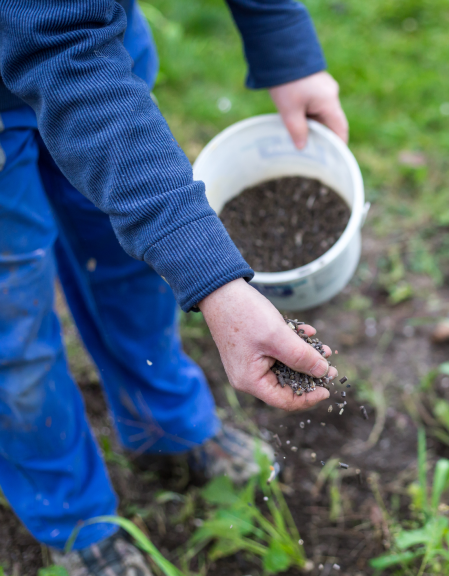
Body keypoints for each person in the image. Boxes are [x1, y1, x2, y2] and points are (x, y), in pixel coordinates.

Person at [0, 1, 347, 574]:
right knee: (12, 327)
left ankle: (166, 427)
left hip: (96, 40)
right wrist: (217, 283)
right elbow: (58, 46)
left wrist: (283, 42)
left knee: (130, 262)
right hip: (65, 44)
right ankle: (71, 516)